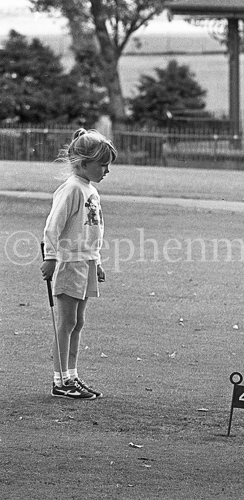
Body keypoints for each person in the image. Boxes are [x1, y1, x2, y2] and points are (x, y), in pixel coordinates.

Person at [41, 128, 117, 399]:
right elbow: (53, 226)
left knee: (78, 321)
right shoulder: (72, 189)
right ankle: (60, 381)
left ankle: (72, 375)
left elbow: (91, 231)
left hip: (85, 262)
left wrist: (96, 261)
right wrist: (51, 257)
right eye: (103, 165)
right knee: (66, 322)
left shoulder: (89, 189)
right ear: (84, 163)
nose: (106, 171)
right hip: (69, 263)